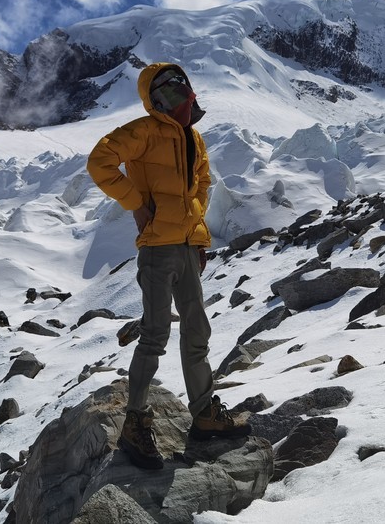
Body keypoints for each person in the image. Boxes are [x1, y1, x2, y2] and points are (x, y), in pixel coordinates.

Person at [87, 62, 251, 470]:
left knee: (197, 329)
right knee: (156, 333)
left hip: (184, 248)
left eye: (182, 86)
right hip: (158, 250)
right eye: (168, 89)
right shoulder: (142, 132)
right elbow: (100, 162)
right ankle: (134, 422)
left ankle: (205, 416)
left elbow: (202, 185)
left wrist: (196, 235)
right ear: (154, 98)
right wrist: (138, 206)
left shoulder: (194, 137)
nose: (179, 94)